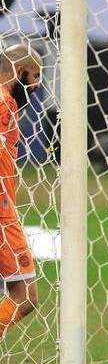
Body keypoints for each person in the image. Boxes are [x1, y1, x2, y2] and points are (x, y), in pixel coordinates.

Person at [0, 44, 42, 340]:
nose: (36, 85)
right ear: (19, 71)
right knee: (25, 295)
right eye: (35, 76)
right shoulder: (4, 103)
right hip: (2, 217)